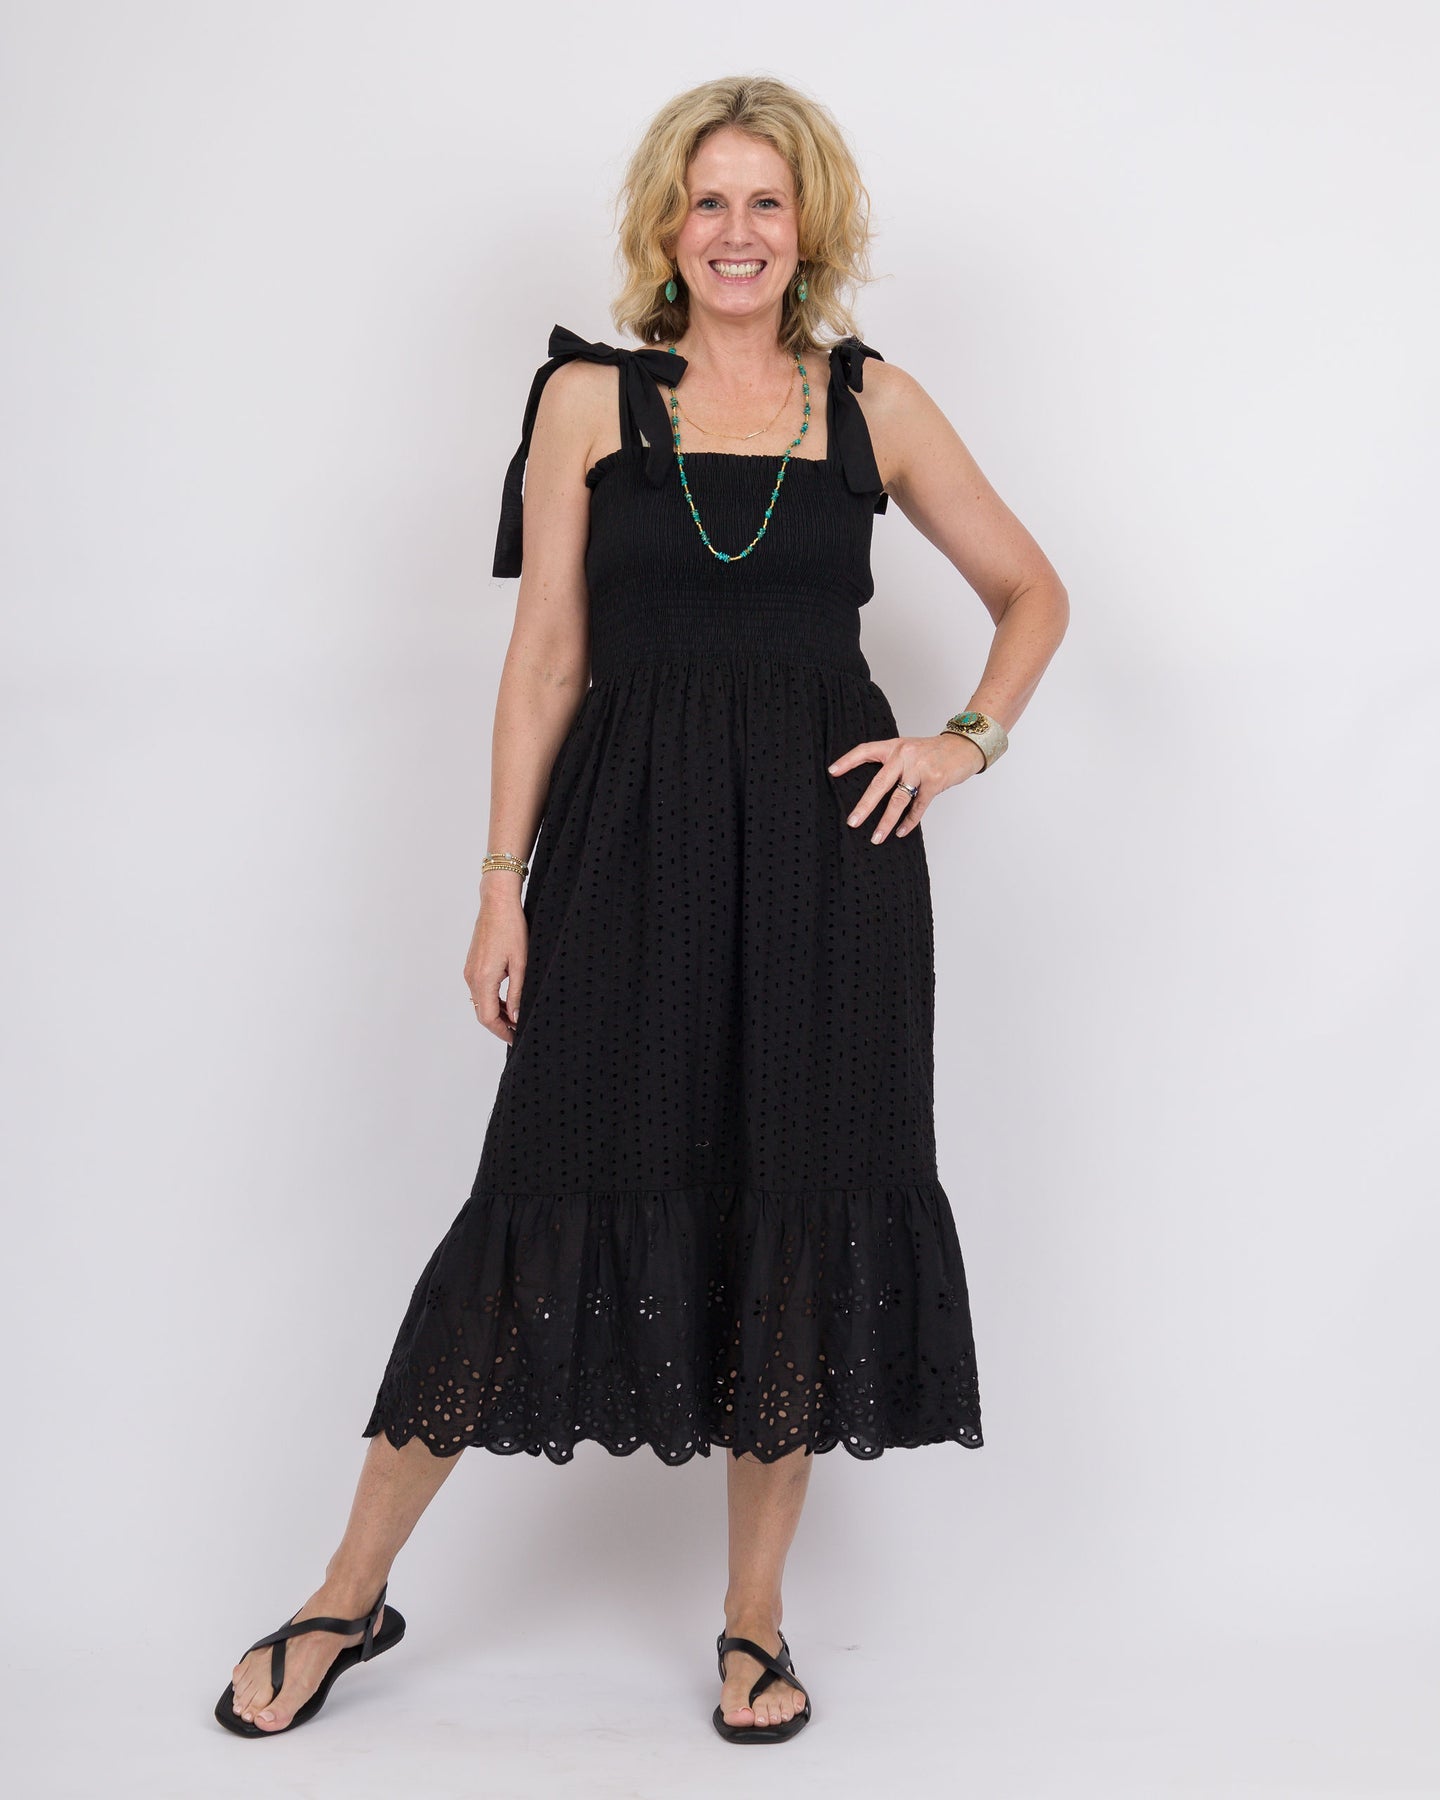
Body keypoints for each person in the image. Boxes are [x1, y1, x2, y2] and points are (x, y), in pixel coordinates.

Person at [215, 73, 1069, 1747]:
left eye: (767, 201)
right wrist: (500, 887)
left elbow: (1034, 590)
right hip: (626, 847)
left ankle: (754, 1622)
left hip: (830, 867)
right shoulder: (589, 401)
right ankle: (345, 1592)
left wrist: (963, 741)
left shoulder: (875, 404)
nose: (736, 231)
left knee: (802, 1209)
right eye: (708, 200)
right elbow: (547, 657)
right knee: (533, 1195)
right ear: (667, 226)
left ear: (808, 224)